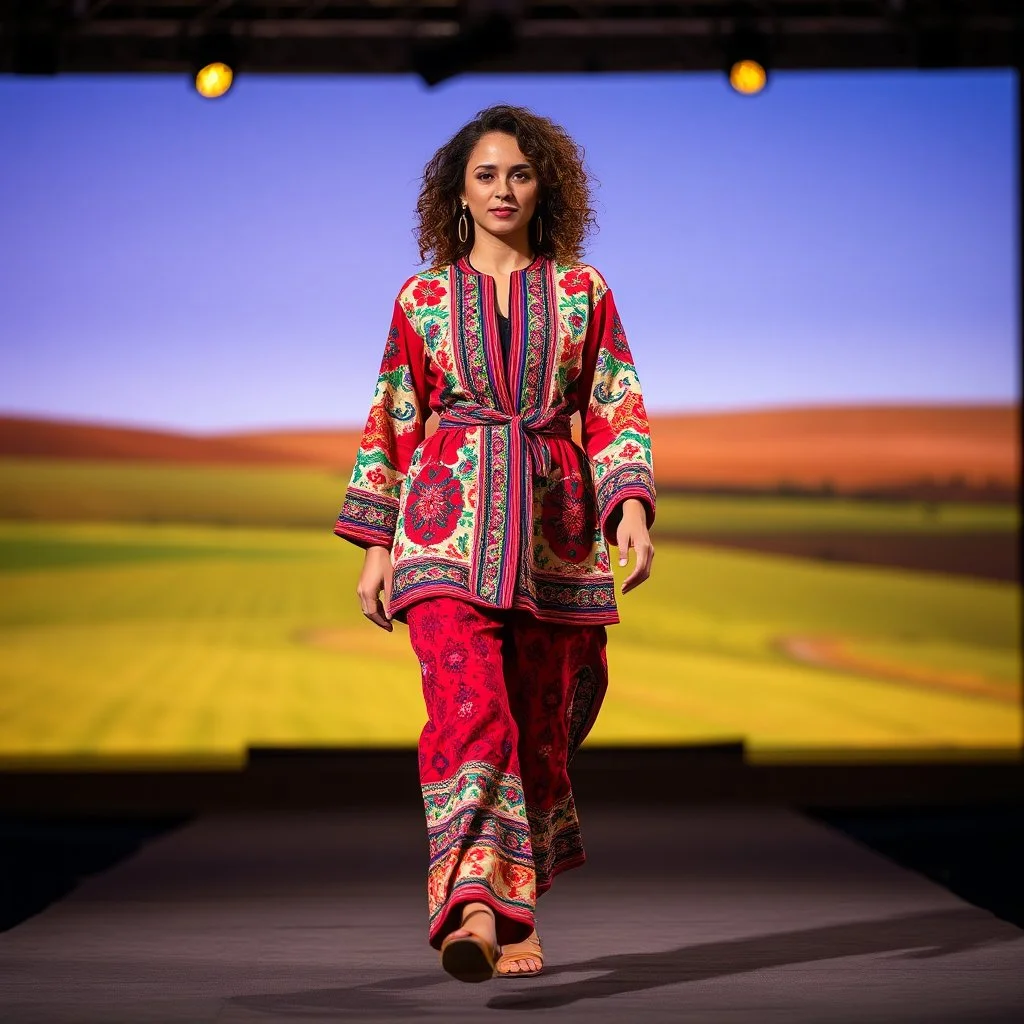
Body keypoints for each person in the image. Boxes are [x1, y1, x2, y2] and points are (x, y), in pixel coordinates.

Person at [333, 103, 655, 983]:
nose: (503, 188)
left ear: (544, 184)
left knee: (537, 723)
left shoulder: (585, 292)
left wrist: (628, 505)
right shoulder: (423, 299)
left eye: (518, 172)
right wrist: (375, 543)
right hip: (443, 528)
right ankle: (474, 904)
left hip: (555, 535)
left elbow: (614, 405)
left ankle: (518, 910)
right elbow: (392, 418)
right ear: (459, 194)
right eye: (485, 175)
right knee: (471, 710)